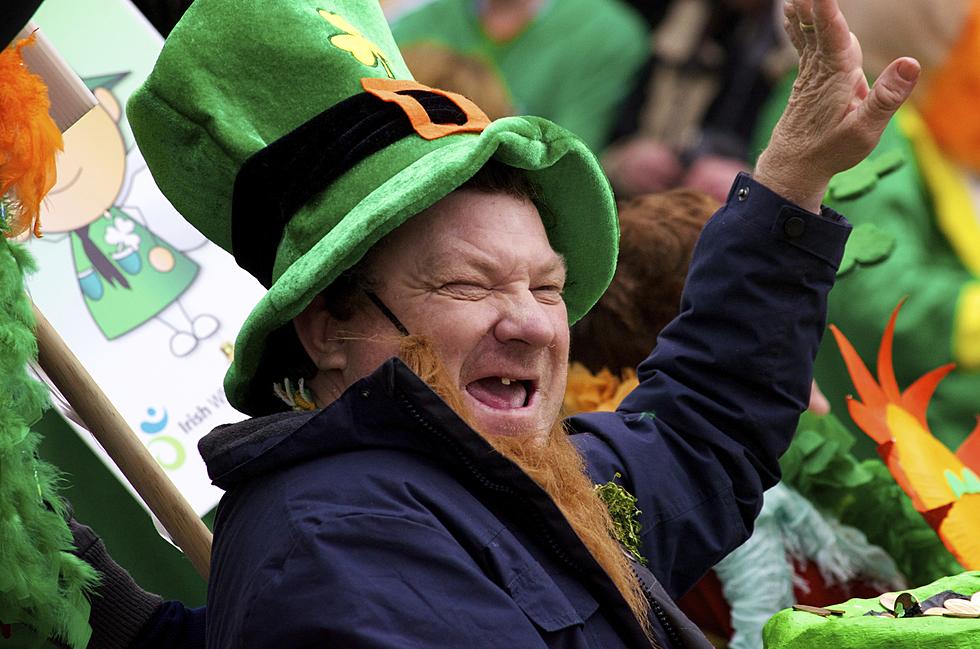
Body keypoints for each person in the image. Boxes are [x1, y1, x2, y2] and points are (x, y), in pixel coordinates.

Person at [115, 0, 918, 647]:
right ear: (328, 324)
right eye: (469, 285)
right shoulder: (335, 548)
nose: (534, 326)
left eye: (548, 286)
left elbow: (701, 427)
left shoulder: (508, 470)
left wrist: (792, 177)